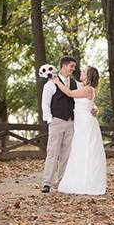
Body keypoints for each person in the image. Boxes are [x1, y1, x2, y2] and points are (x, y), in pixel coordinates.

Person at [54, 66, 107, 195]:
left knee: (84, 151)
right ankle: (82, 180)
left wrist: (56, 82)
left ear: (89, 75)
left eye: (84, 71)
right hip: (83, 123)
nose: (81, 72)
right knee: (80, 151)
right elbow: (90, 104)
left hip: (85, 124)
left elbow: (70, 93)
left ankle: (85, 183)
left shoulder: (88, 89)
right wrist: (96, 108)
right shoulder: (87, 89)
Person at [41, 56, 78, 193]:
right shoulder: (50, 84)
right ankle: (47, 183)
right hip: (56, 121)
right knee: (52, 153)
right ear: (63, 65)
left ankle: (62, 181)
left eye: (74, 66)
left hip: (71, 122)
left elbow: (82, 97)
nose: (73, 69)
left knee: (66, 154)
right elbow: (45, 103)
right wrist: (50, 120)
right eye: (71, 66)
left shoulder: (75, 83)